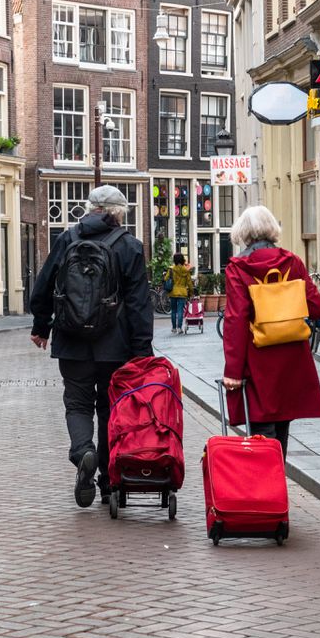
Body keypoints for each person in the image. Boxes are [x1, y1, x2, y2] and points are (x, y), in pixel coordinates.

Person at [30, 185, 154, 508]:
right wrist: (143, 353)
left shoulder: (66, 240)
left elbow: (43, 287)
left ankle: (83, 450)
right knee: (111, 411)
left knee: (77, 404)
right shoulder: (130, 247)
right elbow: (141, 305)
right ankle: (109, 481)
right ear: (118, 213)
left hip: (71, 344)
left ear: (89, 209)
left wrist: (41, 326)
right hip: (116, 348)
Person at [221, 205, 320, 459]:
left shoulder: (239, 268)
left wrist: (232, 373)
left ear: (244, 234)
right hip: (291, 361)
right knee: (281, 431)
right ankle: (276, 487)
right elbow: (318, 307)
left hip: (258, 362)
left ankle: (266, 492)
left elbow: (235, 320)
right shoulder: (292, 262)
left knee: (260, 434)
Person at [166, 253, 193, 334]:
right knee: (180, 310)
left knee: (173, 310)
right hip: (182, 292)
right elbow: (189, 283)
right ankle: (179, 328)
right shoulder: (186, 270)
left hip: (173, 292)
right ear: (182, 260)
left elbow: (166, 278)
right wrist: (191, 292)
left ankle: (174, 328)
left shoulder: (171, 269)